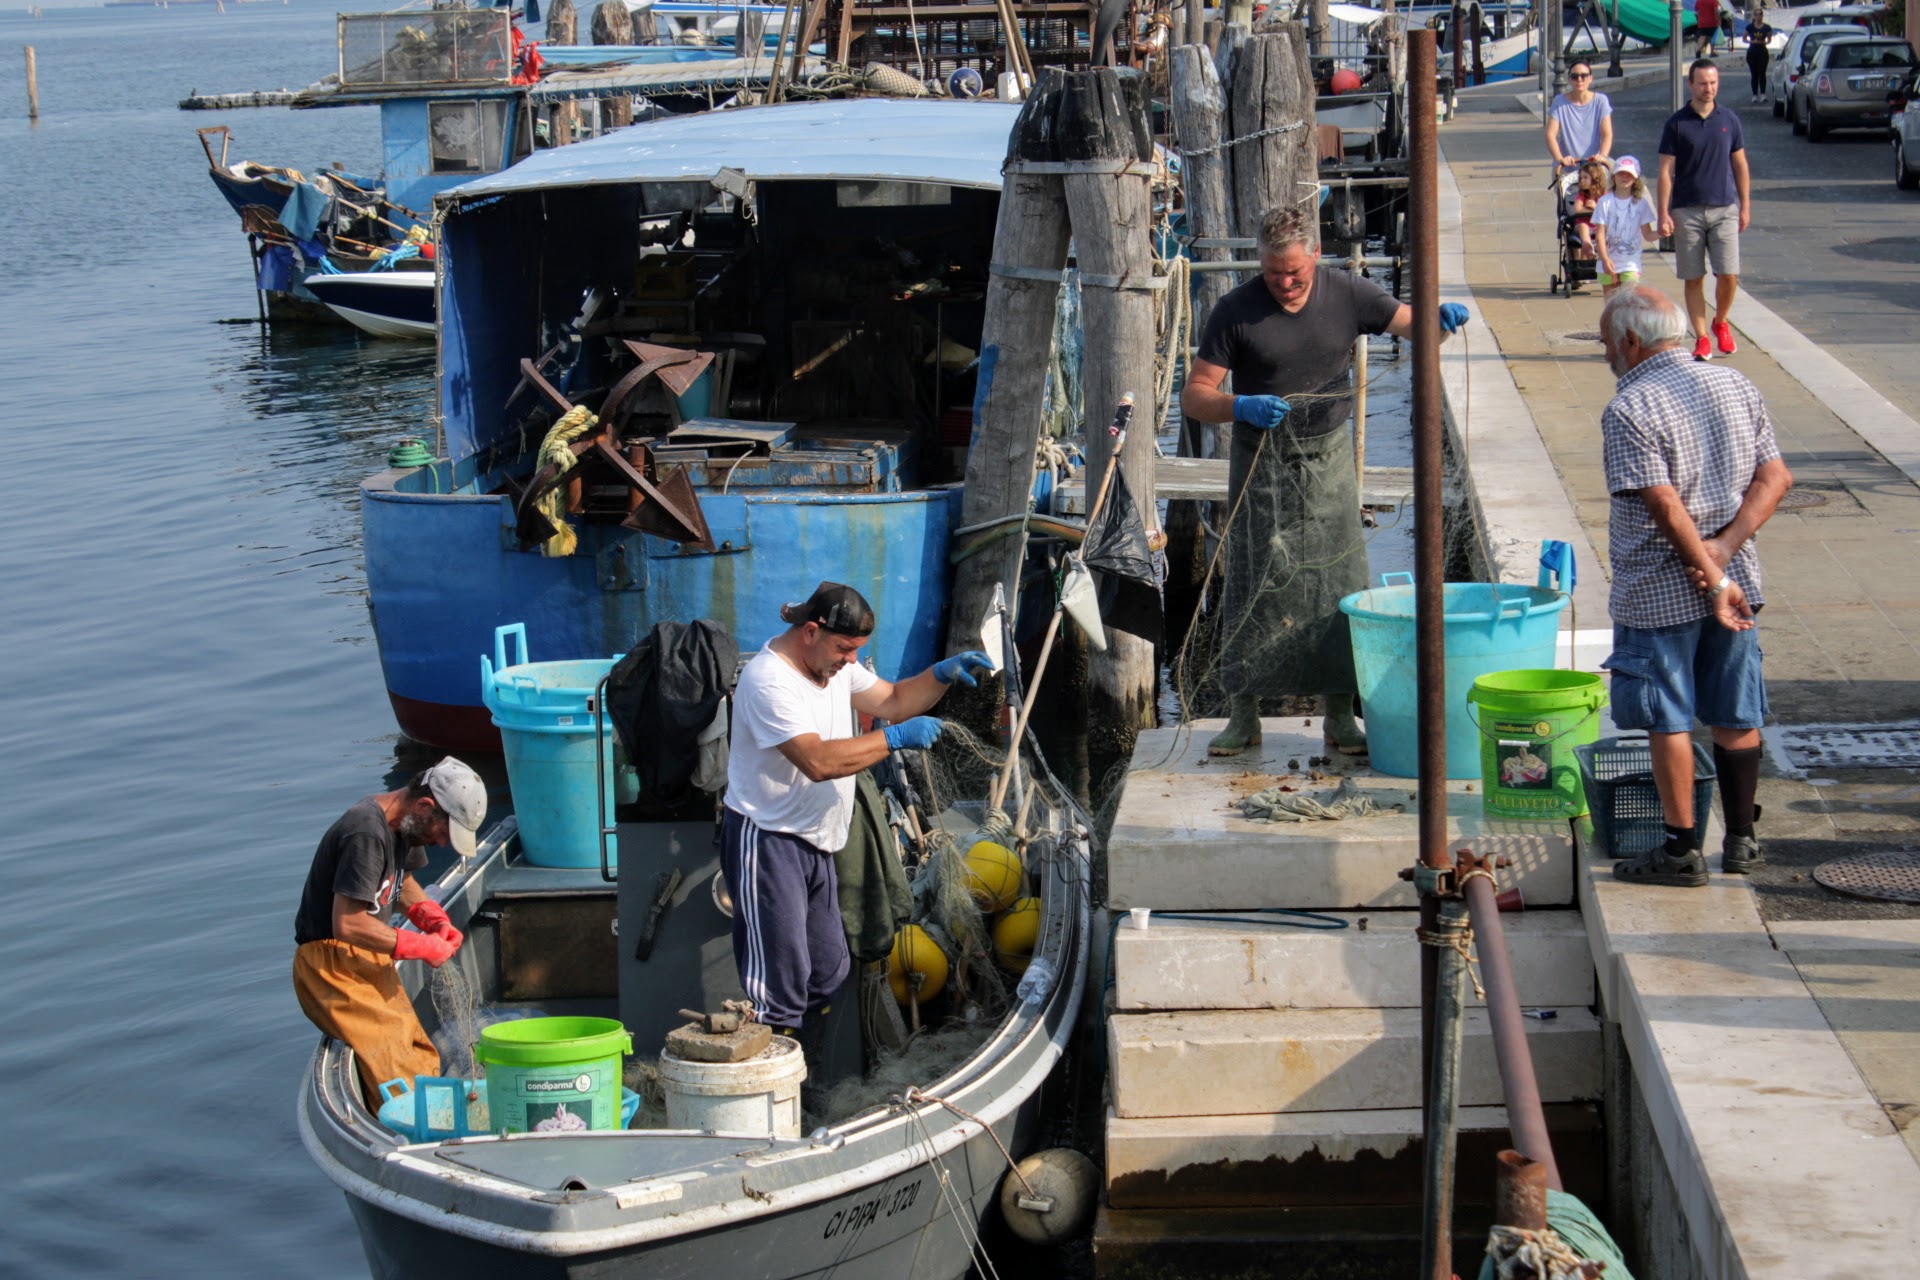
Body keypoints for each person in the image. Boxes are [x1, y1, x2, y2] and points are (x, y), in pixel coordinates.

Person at [1180, 204, 1470, 758]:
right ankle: (1243, 715)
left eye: (1295, 272)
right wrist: (1239, 405)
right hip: (1259, 460)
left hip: (1330, 459)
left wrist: (1440, 319)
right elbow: (1194, 396)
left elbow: (1413, 325)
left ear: (1316, 254)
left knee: (1341, 586)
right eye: (1273, 274)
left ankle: (1340, 715)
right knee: (1252, 581)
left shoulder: (1348, 293)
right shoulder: (1234, 311)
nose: (1285, 284)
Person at [721, 582, 992, 1047]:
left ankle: (810, 1073)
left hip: (819, 841)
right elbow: (819, 761)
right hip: (769, 841)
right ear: (810, 631)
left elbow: (893, 700)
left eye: (856, 651)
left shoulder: (835, 668)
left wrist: (941, 675)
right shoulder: (769, 680)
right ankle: (782, 1098)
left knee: (828, 969)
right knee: (779, 987)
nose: (851, 660)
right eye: (845, 649)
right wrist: (893, 739)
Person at [1596, 287, 1792, 887]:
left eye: (1607, 343)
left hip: (1661, 589)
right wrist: (1726, 552)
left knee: (1669, 717)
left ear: (1631, 341)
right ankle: (1740, 841)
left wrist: (1708, 576)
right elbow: (1776, 477)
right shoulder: (1735, 384)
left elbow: (1663, 502)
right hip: (1736, 581)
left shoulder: (1630, 407)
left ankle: (1681, 850)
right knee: (1737, 710)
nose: (1607, 355)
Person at [292, 757, 486, 1106]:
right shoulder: (365, 831)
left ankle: (434, 1119)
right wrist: (421, 946)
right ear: (426, 806)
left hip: (365, 958)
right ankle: (408, 1134)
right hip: (329, 966)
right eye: (442, 833)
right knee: (393, 1059)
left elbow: (402, 881)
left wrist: (431, 916)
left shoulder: (404, 827)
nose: (442, 844)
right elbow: (348, 924)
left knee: (416, 1044)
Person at [1658, 59, 1751, 363]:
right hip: (1688, 210)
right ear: (1691, 85)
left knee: (1729, 274)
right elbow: (1665, 171)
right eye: (1702, 83)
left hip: (1725, 207)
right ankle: (1701, 338)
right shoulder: (1676, 124)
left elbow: (1740, 164)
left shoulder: (1729, 120)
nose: (1708, 89)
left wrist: (1745, 205)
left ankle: (1720, 321)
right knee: (1693, 277)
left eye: (1713, 83)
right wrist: (1663, 213)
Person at [1592, 155, 1659, 299]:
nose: (1624, 177)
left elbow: (1647, 234)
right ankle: (1611, 322)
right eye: (1621, 173)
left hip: (1630, 262)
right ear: (1614, 176)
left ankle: (1625, 322)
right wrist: (1604, 259)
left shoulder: (1641, 203)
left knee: (1628, 299)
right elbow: (1600, 234)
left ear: (1636, 179)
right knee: (1610, 302)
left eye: (1629, 174)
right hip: (1608, 259)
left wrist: (1662, 233)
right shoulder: (1605, 202)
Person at [1544, 62, 1614, 173]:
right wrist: (1560, 159)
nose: (1579, 79)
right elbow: (1550, 135)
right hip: (1568, 167)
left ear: (1590, 78)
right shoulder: (1559, 102)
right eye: (1575, 76)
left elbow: (1607, 134)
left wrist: (1602, 155)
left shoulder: (1600, 101)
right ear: (1569, 79)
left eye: (1584, 76)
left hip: (1593, 167)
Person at [1570, 158, 1611, 260]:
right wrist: (1593, 211)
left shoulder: (1603, 194)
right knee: (1583, 226)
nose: (1581, 181)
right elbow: (1577, 209)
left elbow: (1608, 211)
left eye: (1585, 177)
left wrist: (1594, 207)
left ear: (1595, 179)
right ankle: (1587, 246)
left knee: (1607, 227)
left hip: (1598, 225)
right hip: (1583, 225)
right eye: (1580, 178)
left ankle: (1600, 248)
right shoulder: (1582, 195)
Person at [1744, 16, 1773, 101]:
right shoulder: (1750, 27)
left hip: (1763, 52)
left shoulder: (1767, 27)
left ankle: (1763, 94)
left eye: (1760, 14)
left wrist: (1765, 42)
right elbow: (1744, 38)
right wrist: (1752, 41)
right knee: (1754, 74)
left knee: (1762, 73)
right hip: (1752, 52)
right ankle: (1755, 95)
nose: (1758, 17)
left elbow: (1769, 39)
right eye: (1756, 14)